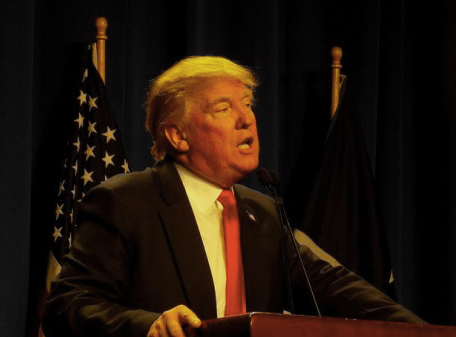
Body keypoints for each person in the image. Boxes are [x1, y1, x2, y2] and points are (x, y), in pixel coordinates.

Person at [43, 56, 425, 337]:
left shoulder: (262, 212)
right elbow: (67, 306)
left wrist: (424, 332)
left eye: (247, 105)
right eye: (224, 108)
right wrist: (150, 325)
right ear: (178, 136)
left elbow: (336, 287)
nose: (247, 119)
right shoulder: (126, 202)